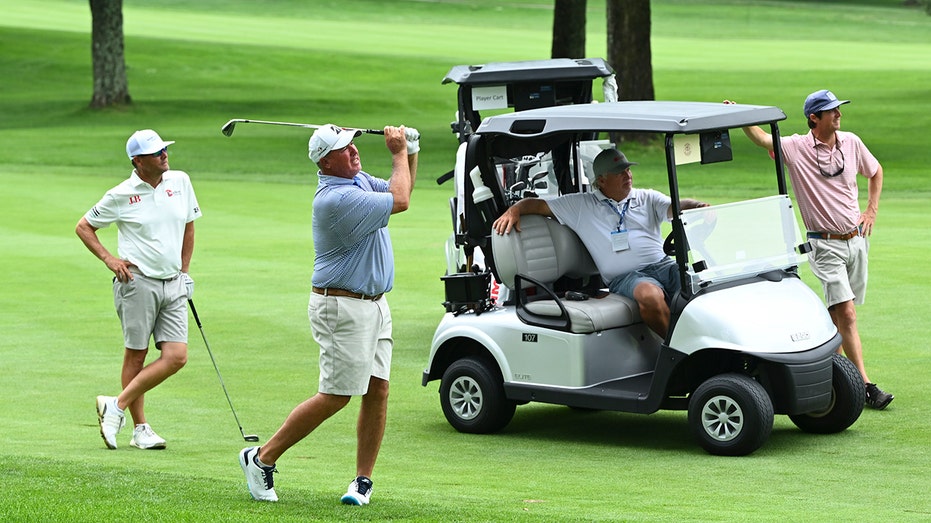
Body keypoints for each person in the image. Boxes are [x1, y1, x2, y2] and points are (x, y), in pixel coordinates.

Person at [239, 124, 418, 505]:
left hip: (373, 304)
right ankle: (260, 458)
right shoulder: (335, 200)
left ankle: (362, 482)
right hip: (341, 306)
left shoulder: (355, 181)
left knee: (378, 389)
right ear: (325, 161)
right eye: (344, 148)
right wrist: (399, 151)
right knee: (336, 396)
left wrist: (411, 151)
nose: (354, 151)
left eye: (353, 144)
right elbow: (401, 200)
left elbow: (399, 187)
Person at [735, 90, 891, 409]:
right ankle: (864, 385)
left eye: (838, 110)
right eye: (831, 111)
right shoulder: (796, 147)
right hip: (825, 244)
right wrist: (741, 117)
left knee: (840, 316)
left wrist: (871, 210)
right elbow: (764, 140)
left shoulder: (852, 142)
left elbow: (875, 172)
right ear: (814, 118)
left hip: (856, 240)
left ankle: (836, 380)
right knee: (845, 313)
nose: (839, 115)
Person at [492, 148, 707, 338]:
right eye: (619, 172)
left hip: (664, 265)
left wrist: (698, 206)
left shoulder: (646, 198)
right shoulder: (582, 206)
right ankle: (681, 351)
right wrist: (515, 210)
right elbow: (538, 206)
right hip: (627, 277)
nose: (627, 175)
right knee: (649, 295)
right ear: (601, 180)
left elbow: (675, 206)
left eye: (628, 170)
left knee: (702, 287)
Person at [76, 129, 202, 449]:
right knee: (137, 353)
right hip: (137, 282)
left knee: (176, 356)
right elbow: (84, 226)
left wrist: (185, 272)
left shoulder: (180, 181)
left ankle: (115, 404)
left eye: (164, 149)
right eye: (155, 152)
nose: (164, 155)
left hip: (173, 282)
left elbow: (189, 226)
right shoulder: (121, 194)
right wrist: (108, 259)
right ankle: (140, 428)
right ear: (138, 161)